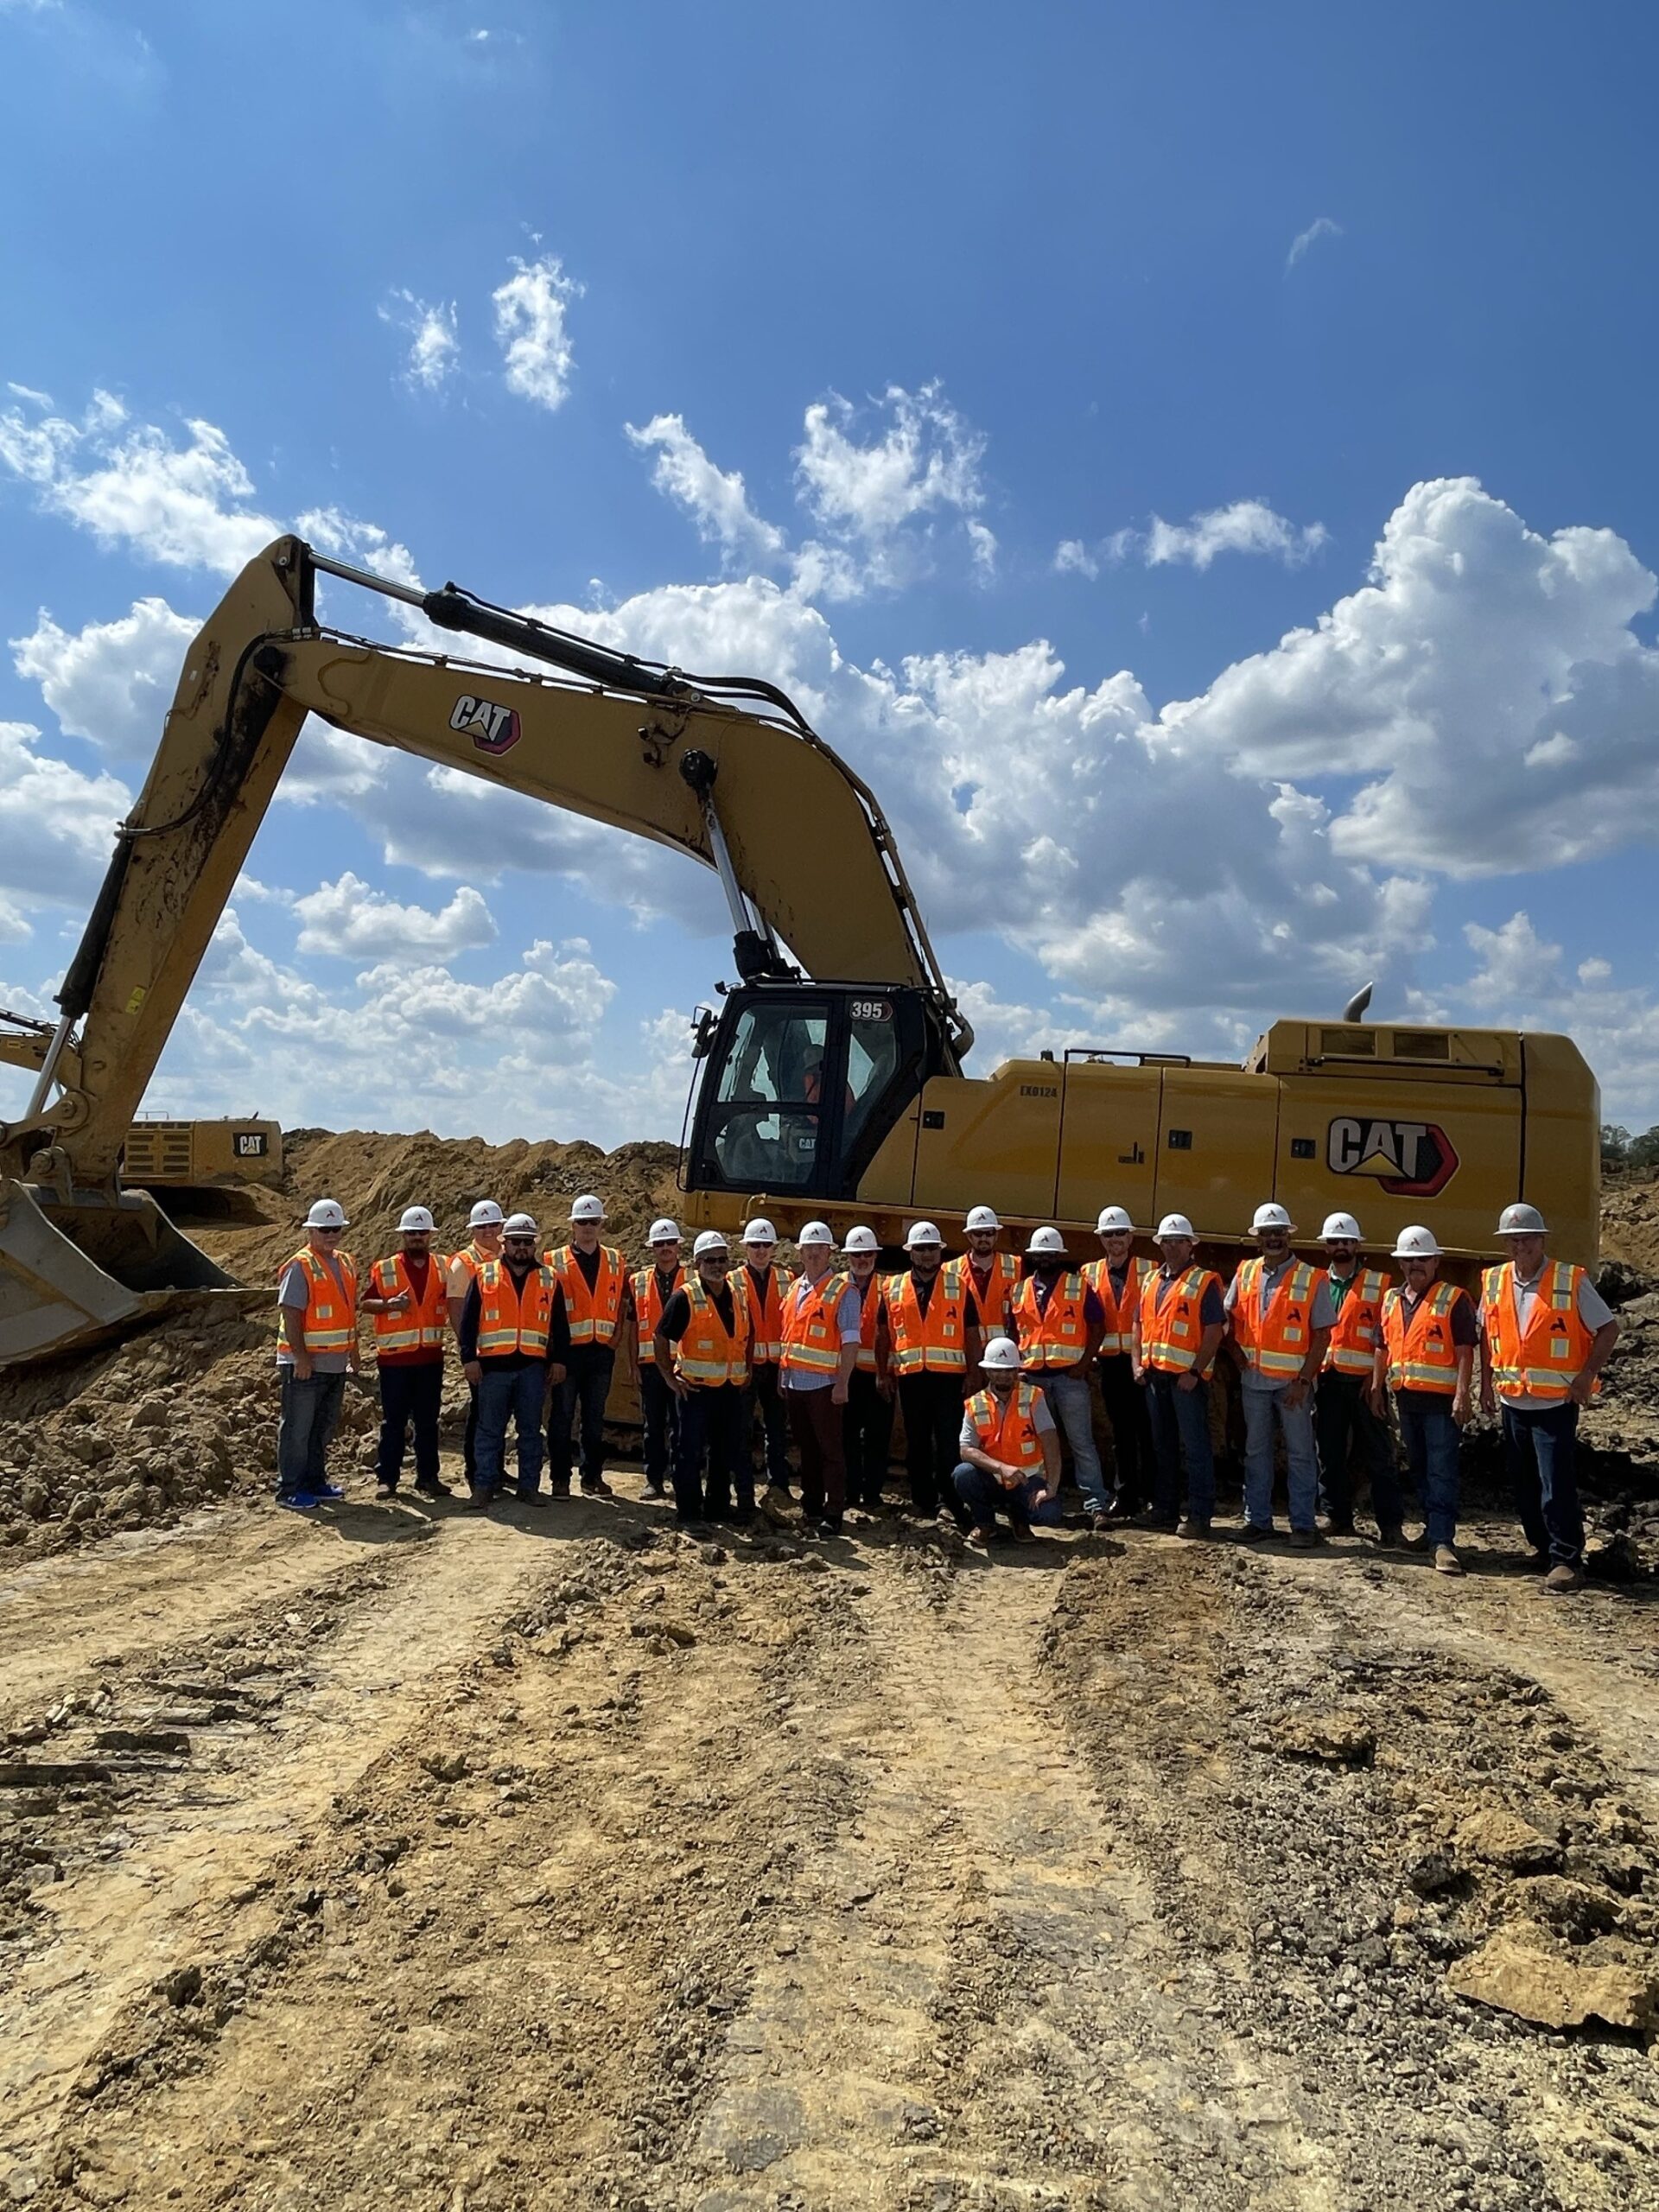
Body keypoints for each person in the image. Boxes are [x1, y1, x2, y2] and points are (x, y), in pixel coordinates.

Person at [1479, 1203, 1618, 1595]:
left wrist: (1586, 1376)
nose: (1519, 1246)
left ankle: (1567, 1560)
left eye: (1526, 1239)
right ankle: (1544, 1549)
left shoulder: (1568, 1280)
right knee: (1524, 1483)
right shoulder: (1493, 1281)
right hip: (1513, 1402)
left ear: (1541, 1240)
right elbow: (1487, 1336)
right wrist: (1486, 1385)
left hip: (1554, 1404)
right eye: (1512, 1240)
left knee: (1555, 1482)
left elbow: (1608, 1329)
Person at [1225, 1204, 1333, 1548]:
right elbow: (1228, 1319)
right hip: (1254, 1382)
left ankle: (1303, 1526)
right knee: (1256, 1453)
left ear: (1288, 1236)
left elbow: (1322, 1335)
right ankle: (1258, 1521)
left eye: (1279, 1233)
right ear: (1258, 1239)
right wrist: (1237, 1355)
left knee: (1301, 1454)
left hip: (1292, 1386)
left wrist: (1303, 1381)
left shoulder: (1311, 1277)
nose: (1273, 1239)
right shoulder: (1245, 1273)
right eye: (1267, 1234)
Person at [1371, 1225, 1477, 1576]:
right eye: (1408, 1260)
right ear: (1400, 1264)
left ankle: (1442, 1542)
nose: (1415, 1265)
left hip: (1442, 1404)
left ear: (1435, 1261)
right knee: (1418, 1468)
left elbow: (1465, 1351)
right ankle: (1432, 1532)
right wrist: (1376, 1387)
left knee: (1441, 1470)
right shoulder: (1391, 1299)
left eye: (1422, 1259)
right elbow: (1382, 1345)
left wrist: (1463, 1394)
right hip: (1407, 1399)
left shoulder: (1454, 1298)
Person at [459, 1213, 569, 1510]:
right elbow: (468, 1322)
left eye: (527, 1242)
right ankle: (483, 1487)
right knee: (489, 1431)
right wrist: (469, 1358)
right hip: (493, 1368)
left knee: (531, 1432)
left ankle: (529, 1487)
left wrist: (558, 1360)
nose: (521, 1247)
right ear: (503, 1243)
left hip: (532, 1369)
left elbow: (559, 1326)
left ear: (534, 1244)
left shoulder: (549, 1278)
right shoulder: (484, 1275)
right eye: (515, 1241)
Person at [1009, 1228, 1111, 1529]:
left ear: (1059, 1256)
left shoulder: (1078, 1287)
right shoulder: (1019, 1291)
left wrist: (1083, 1364)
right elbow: (1014, 1333)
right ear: (1033, 1257)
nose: (1045, 1258)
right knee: (1037, 1445)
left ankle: (1096, 1505)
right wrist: (1019, 1369)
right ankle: (1041, 1500)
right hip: (1033, 1382)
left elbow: (1098, 1327)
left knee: (1082, 1443)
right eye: (1040, 1254)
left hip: (1069, 1378)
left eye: (1050, 1254)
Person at [1132, 1214, 1225, 1538]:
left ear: (1190, 1245)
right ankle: (1165, 1509)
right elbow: (1139, 1324)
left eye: (1177, 1241)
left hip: (1186, 1382)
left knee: (1196, 1448)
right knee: (1163, 1447)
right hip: (1155, 1378)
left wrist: (1195, 1371)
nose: (1171, 1247)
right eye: (1166, 1241)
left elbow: (1215, 1330)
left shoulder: (1203, 1281)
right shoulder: (1151, 1280)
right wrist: (1136, 1363)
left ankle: (1200, 1516)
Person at [877, 1222, 976, 1524]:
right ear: (910, 1253)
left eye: (932, 1249)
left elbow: (971, 1333)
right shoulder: (893, 1287)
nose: (927, 1255)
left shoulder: (958, 1286)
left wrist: (973, 1373)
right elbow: (883, 1334)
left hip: (949, 1378)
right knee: (917, 1440)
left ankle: (951, 1501)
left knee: (949, 1442)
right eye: (920, 1249)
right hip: (911, 1377)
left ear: (940, 1252)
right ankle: (922, 1500)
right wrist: (882, 1373)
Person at [1312, 1211, 1402, 1545]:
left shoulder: (1380, 1285)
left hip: (1366, 1384)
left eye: (1346, 1241)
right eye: (1334, 1242)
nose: (1341, 1247)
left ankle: (1391, 1526)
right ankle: (1337, 1517)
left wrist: (1375, 1380)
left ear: (1357, 1245)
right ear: (1326, 1247)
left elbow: (1389, 1336)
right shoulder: (1318, 1282)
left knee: (1379, 1455)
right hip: (1330, 1380)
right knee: (1330, 1453)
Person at [655, 1230, 753, 1525]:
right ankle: (688, 1512)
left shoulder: (737, 1294)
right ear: (697, 1264)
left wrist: (746, 1368)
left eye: (722, 1259)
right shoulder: (685, 1297)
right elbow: (661, 1336)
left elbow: (747, 1334)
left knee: (724, 1452)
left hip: (729, 1389)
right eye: (710, 1260)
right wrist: (669, 1378)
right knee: (689, 1453)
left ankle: (718, 1507)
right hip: (695, 1392)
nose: (717, 1265)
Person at [362, 1205, 453, 1501]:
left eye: (421, 1233)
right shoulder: (385, 1268)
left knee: (428, 1420)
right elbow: (365, 1304)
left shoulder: (443, 1267)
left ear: (430, 1236)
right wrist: (389, 1304)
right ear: (403, 1236)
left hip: (430, 1358)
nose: (417, 1238)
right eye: (411, 1233)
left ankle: (428, 1477)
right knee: (394, 1422)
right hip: (395, 1360)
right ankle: (387, 1478)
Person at [275, 1198, 359, 1510]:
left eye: (336, 1228)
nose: (331, 1234)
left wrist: (353, 1352)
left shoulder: (346, 1263)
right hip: (305, 1365)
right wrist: (301, 1357)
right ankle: (289, 1489)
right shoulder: (301, 1264)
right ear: (311, 1231)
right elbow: (291, 1313)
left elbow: (348, 1313)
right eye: (325, 1229)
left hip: (335, 1363)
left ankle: (314, 1481)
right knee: (298, 1428)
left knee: (321, 1427)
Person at [779, 1222, 861, 1536]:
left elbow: (850, 1342)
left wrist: (843, 1382)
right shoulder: (794, 1289)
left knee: (830, 1450)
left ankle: (834, 1511)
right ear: (800, 1252)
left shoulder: (844, 1292)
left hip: (825, 1386)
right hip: (795, 1383)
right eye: (808, 1249)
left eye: (820, 1249)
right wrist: (782, 1374)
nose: (814, 1254)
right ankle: (811, 1504)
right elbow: (788, 1337)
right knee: (807, 1448)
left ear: (830, 1252)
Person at [543, 1195, 625, 1498]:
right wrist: (553, 1353)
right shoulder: (553, 1260)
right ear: (573, 1226)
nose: (588, 1227)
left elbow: (621, 1301)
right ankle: (560, 1479)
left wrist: (615, 1336)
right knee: (563, 1416)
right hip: (567, 1353)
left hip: (601, 1353)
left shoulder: (616, 1260)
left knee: (594, 1419)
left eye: (593, 1222)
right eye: (582, 1222)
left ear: (601, 1225)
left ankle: (592, 1477)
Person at [953, 1337, 1063, 1552]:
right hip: (992, 1480)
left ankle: (1019, 1519)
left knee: (1050, 1513)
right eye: (997, 1370)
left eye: (1008, 1370)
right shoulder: (975, 1404)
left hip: (1026, 1481)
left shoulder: (1033, 1397)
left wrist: (1051, 1487)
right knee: (962, 1474)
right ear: (988, 1372)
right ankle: (985, 1523)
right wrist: (1001, 1468)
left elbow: (1051, 1442)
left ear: (1016, 1371)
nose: (1003, 1375)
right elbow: (965, 1450)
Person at [1083, 1207, 1154, 1519]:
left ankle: (1154, 1497)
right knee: (1121, 1434)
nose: (1115, 1240)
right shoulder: (1088, 1273)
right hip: (1111, 1364)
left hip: (1143, 1364)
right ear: (1101, 1239)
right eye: (1109, 1234)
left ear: (1131, 1236)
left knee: (1150, 1432)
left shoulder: (1151, 1270)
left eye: (1120, 1234)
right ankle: (1125, 1496)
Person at [448, 1199, 505, 1491]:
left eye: (492, 1225)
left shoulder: (509, 1256)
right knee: (482, 1413)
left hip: (506, 1350)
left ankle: (496, 1468)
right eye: (481, 1226)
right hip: (482, 1354)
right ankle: (475, 1470)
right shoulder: (464, 1263)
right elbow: (456, 1311)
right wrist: (468, 1352)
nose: (487, 1231)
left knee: (501, 1414)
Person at [739, 1218, 794, 1498]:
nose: (760, 1250)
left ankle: (779, 1487)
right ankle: (745, 1489)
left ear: (774, 1249)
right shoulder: (733, 1281)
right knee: (742, 1431)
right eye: (755, 1245)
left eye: (765, 1245)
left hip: (776, 1368)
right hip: (746, 1369)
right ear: (746, 1248)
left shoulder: (788, 1280)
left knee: (777, 1430)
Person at [842, 1225, 895, 1510]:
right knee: (846, 1436)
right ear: (848, 1256)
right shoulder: (835, 1286)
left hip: (879, 1376)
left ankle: (872, 1495)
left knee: (878, 1437)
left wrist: (886, 1373)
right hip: (846, 1375)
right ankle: (850, 1493)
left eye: (867, 1253)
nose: (862, 1259)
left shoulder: (889, 1288)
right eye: (856, 1254)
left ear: (875, 1254)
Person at [631, 1220, 685, 1500]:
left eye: (669, 1243)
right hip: (650, 1365)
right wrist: (633, 1365)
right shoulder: (637, 1281)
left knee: (681, 1426)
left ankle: (680, 1479)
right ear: (652, 1248)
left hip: (681, 1366)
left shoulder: (692, 1279)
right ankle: (653, 1479)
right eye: (660, 1244)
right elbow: (632, 1326)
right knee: (652, 1426)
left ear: (678, 1246)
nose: (665, 1249)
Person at [946, 1205, 1019, 1337]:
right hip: (967, 1346)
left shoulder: (1016, 1266)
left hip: (1002, 1350)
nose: (984, 1238)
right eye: (978, 1234)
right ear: (969, 1236)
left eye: (989, 1233)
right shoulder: (949, 1270)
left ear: (996, 1235)